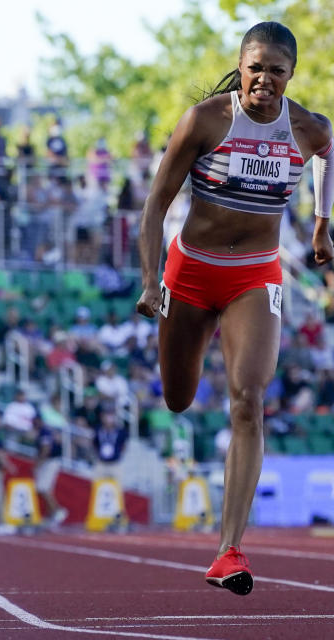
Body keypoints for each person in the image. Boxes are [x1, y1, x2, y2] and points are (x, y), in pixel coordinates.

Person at [135, 22, 333, 596]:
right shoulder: (206, 121)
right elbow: (154, 208)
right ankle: (177, 361)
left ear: (291, 74)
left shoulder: (306, 127)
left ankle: (229, 551)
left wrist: (321, 225)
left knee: (248, 401)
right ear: (240, 67)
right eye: (256, 67)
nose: (264, 79)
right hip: (189, 274)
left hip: (256, 275)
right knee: (177, 397)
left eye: (277, 69)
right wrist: (151, 282)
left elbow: (327, 150)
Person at [32, 415, 68, 525]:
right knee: (45, 488)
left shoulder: (45, 432)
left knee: (42, 487)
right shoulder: (46, 431)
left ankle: (58, 511)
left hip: (50, 461)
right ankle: (51, 513)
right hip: (50, 461)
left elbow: (46, 449)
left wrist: (38, 464)